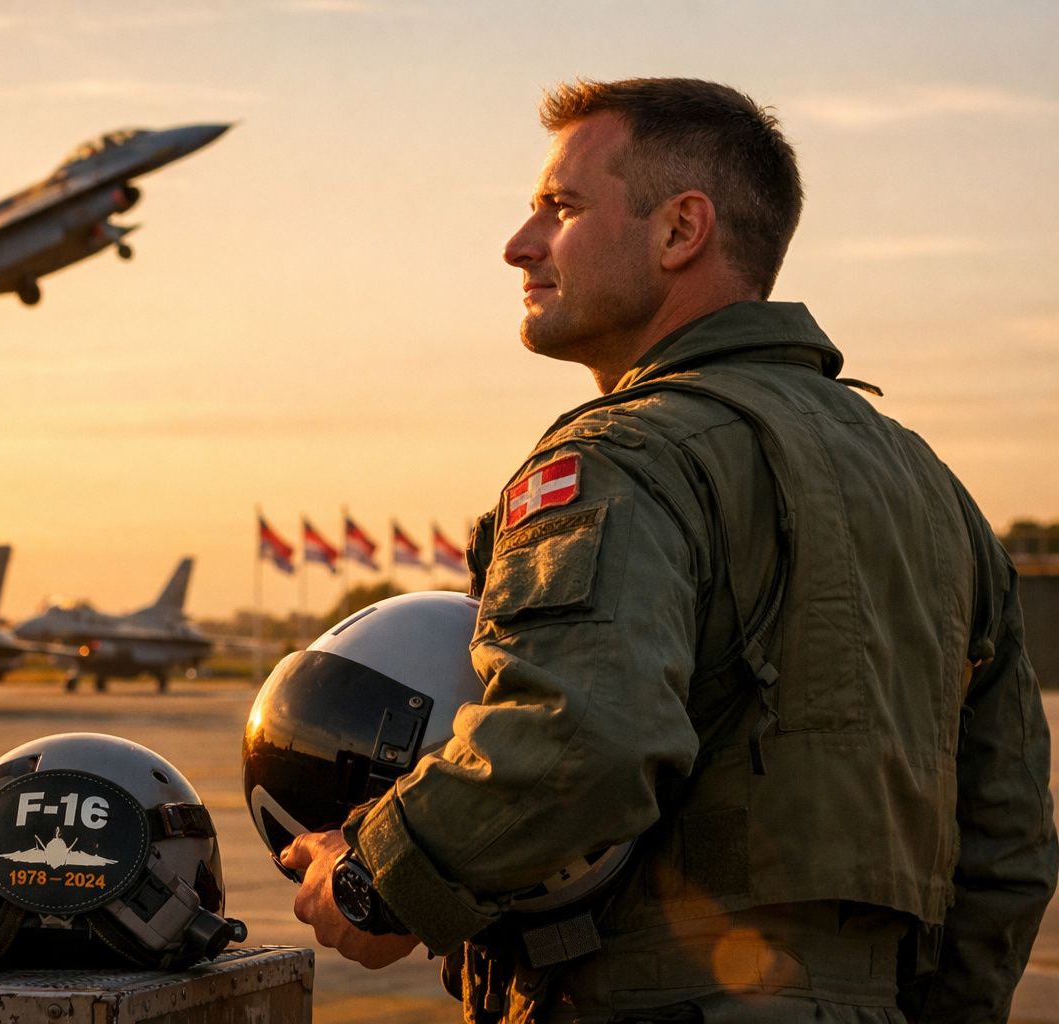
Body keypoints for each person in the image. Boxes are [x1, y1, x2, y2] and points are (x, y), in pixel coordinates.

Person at [282, 77, 1058, 1023]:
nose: (518, 243)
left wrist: (375, 877)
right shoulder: (938, 493)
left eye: (560, 207)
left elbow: (584, 735)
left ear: (681, 231)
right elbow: (1009, 840)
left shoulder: (623, 456)